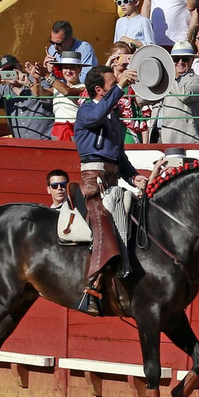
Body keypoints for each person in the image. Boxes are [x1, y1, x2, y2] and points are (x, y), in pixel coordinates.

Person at [72, 62, 142, 316]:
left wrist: (134, 178)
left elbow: (120, 159)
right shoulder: (87, 111)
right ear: (100, 90)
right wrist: (121, 85)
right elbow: (96, 116)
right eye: (113, 85)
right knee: (102, 222)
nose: (119, 88)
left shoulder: (113, 120)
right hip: (94, 181)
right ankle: (91, 288)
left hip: (112, 179)